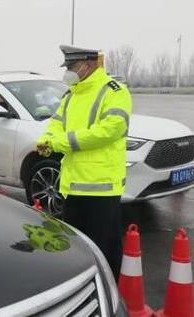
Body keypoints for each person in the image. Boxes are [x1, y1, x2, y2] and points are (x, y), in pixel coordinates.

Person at [36, 45, 132, 279]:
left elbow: (111, 129)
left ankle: (107, 296)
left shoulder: (114, 91)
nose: (68, 72)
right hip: (72, 185)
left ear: (87, 65)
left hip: (102, 188)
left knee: (104, 250)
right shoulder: (71, 95)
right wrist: (46, 140)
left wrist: (60, 143)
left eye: (71, 67)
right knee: (78, 248)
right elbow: (55, 125)